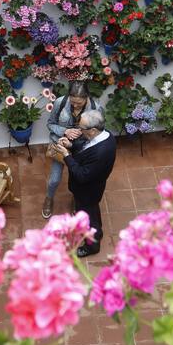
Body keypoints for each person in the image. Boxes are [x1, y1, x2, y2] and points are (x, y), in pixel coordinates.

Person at [61, 109, 115, 257]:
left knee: (90, 218)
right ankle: (96, 228)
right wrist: (72, 147)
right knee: (91, 211)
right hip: (90, 190)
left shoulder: (101, 152)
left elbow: (82, 175)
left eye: (81, 128)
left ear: (92, 130)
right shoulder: (105, 135)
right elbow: (86, 150)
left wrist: (66, 155)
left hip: (88, 191)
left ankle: (92, 246)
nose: (79, 130)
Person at [43, 82, 95, 219]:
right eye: (73, 102)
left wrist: (81, 134)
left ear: (87, 97)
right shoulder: (60, 103)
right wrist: (65, 131)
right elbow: (50, 124)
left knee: (79, 179)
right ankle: (49, 198)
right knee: (54, 179)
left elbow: (96, 133)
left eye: (79, 103)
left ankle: (76, 199)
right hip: (60, 146)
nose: (75, 105)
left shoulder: (95, 109)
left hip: (82, 148)